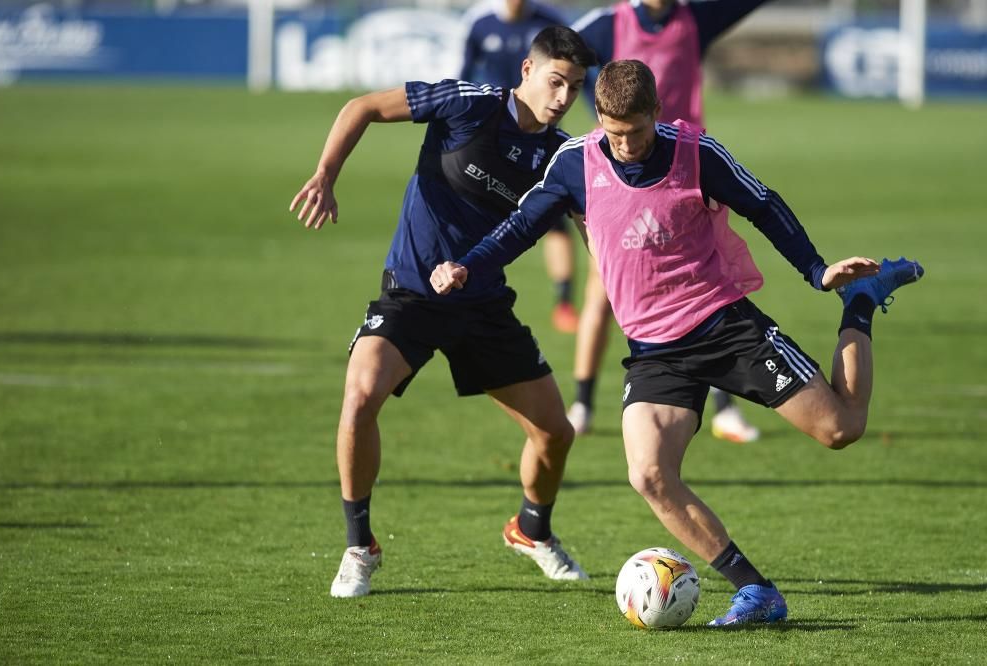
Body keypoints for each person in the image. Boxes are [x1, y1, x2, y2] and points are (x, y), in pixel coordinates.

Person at [429, 60, 923, 625]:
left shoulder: (695, 153)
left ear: (656, 114)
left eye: (635, 132)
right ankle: (756, 592)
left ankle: (859, 305)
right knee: (649, 475)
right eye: (613, 133)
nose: (625, 145)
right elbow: (520, 226)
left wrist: (816, 271)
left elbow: (762, 203)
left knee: (842, 429)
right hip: (654, 351)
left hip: (724, 327)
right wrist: (466, 266)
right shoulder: (576, 163)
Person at [289, 26, 598, 598]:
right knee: (359, 396)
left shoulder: (562, 156)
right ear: (526, 72)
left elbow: (593, 231)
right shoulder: (467, 103)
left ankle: (532, 530)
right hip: (411, 296)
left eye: (575, 88)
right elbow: (361, 107)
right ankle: (360, 547)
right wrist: (327, 173)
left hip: (482, 305)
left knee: (556, 434)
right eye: (555, 81)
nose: (562, 98)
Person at [566, 0, 771, 438]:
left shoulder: (693, 18)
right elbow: (564, 52)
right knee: (602, 287)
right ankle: (582, 403)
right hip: (625, 178)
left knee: (707, 286)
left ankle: (724, 407)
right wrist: (600, 117)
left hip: (687, 176)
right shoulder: (608, 25)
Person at [461, 0, 581, 334]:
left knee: (558, 218)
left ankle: (564, 303)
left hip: (537, 139)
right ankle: (465, 285)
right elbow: (464, 72)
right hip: (490, 139)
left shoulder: (549, 22)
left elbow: (576, 71)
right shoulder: (480, 22)